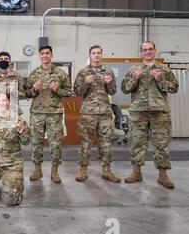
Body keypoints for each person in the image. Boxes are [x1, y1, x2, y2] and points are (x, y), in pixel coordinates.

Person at [121, 41, 179, 189]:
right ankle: (136, 172)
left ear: (155, 51)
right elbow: (125, 89)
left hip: (159, 112)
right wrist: (135, 78)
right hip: (138, 112)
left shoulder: (164, 69)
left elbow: (174, 88)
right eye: (144, 50)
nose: (148, 52)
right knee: (137, 142)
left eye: (150, 49)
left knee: (161, 143)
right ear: (141, 52)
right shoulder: (134, 69)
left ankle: (162, 175)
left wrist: (160, 79)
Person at [25, 45, 72, 183]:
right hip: (37, 114)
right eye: (42, 53)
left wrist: (57, 89)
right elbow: (26, 93)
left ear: (51, 55)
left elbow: (69, 92)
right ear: (39, 56)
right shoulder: (34, 74)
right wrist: (33, 89)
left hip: (54, 114)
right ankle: (37, 169)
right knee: (36, 143)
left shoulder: (60, 73)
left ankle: (54, 171)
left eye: (47, 53)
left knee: (55, 144)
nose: (44, 56)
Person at [73, 45, 120, 183]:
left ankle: (106, 170)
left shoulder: (108, 71)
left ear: (102, 55)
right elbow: (77, 92)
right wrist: (86, 83)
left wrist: (109, 83)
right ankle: (83, 170)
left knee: (106, 142)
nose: (97, 55)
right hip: (88, 112)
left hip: (105, 112)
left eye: (99, 53)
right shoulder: (83, 72)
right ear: (90, 55)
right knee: (86, 142)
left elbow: (113, 91)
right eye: (94, 53)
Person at [0, 51, 26, 181]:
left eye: (6, 58)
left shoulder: (16, 76)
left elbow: (24, 93)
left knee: (13, 139)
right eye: (1, 59)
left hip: (14, 110)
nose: (3, 60)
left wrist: (15, 92)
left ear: (10, 61)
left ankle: (12, 165)